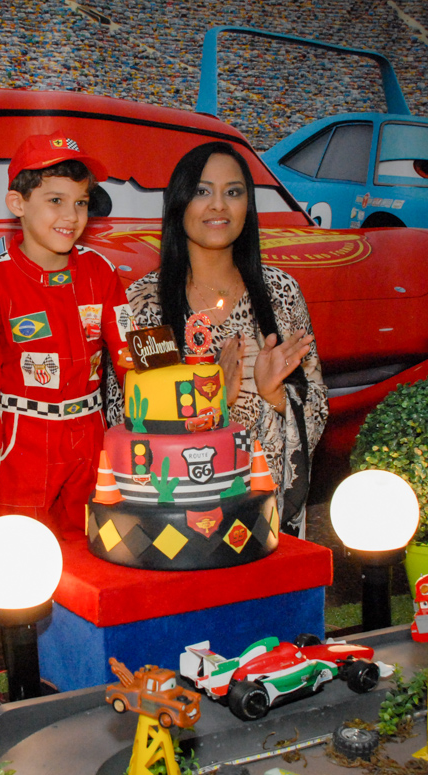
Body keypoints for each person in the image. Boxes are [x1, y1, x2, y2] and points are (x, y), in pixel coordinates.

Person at [125, 142, 328, 535]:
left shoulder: (282, 294)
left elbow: (317, 409)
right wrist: (213, 396)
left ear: (248, 206)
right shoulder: (144, 305)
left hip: (268, 519)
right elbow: (131, 425)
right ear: (178, 202)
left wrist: (276, 395)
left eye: (233, 192)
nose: (219, 205)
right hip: (181, 526)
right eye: (202, 191)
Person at [0, 132, 133, 540]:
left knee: (94, 558)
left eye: (81, 203)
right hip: (23, 444)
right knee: (21, 564)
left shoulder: (101, 273)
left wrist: (164, 413)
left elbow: (131, 355)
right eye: (55, 200)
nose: (71, 216)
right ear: (18, 203)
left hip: (91, 440)